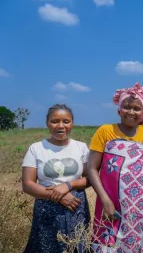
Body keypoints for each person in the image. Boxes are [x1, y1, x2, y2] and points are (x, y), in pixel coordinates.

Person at [87, 83, 143, 252]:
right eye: (126, 107)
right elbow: (92, 168)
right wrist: (105, 200)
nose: (131, 112)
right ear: (119, 109)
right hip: (111, 201)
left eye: (137, 109)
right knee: (110, 244)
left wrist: (129, 172)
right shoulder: (105, 131)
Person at [22, 104, 90, 253]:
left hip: (75, 207)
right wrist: (59, 196)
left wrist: (68, 185)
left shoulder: (81, 147)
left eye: (66, 121)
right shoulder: (36, 148)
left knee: (76, 246)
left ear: (72, 123)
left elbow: (89, 178)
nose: (61, 126)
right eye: (55, 121)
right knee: (45, 246)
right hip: (46, 207)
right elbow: (27, 184)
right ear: (47, 123)